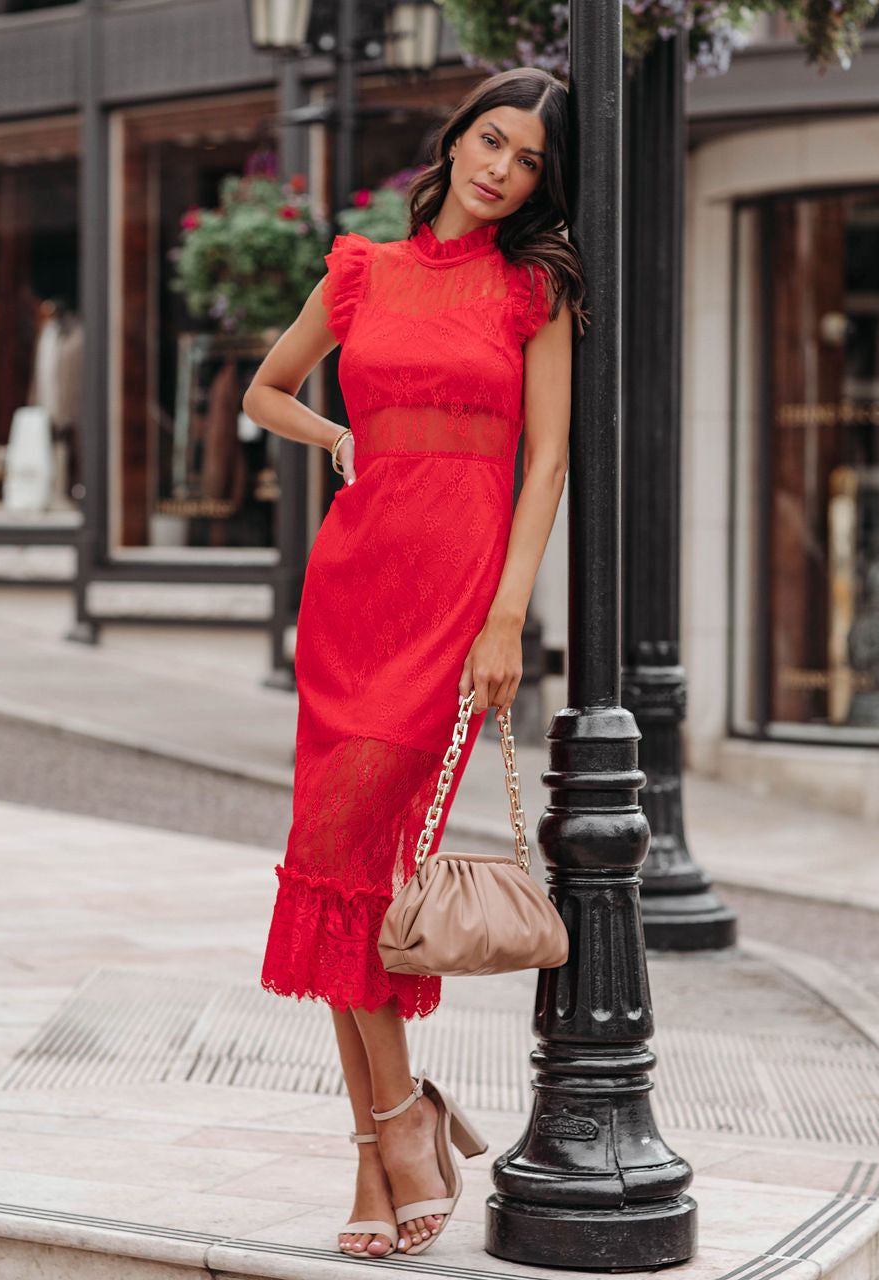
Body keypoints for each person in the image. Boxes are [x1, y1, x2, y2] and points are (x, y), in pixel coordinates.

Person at [244, 66, 584, 1261]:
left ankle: (391, 1134)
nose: (501, 167)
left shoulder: (531, 287)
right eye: (491, 139)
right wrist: (338, 431)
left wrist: (508, 617)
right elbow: (264, 389)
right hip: (352, 588)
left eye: (529, 159)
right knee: (339, 862)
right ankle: (393, 1130)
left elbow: (543, 466)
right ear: (453, 141)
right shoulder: (358, 271)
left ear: (542, 180)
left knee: (372, 867)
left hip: (455, 601)